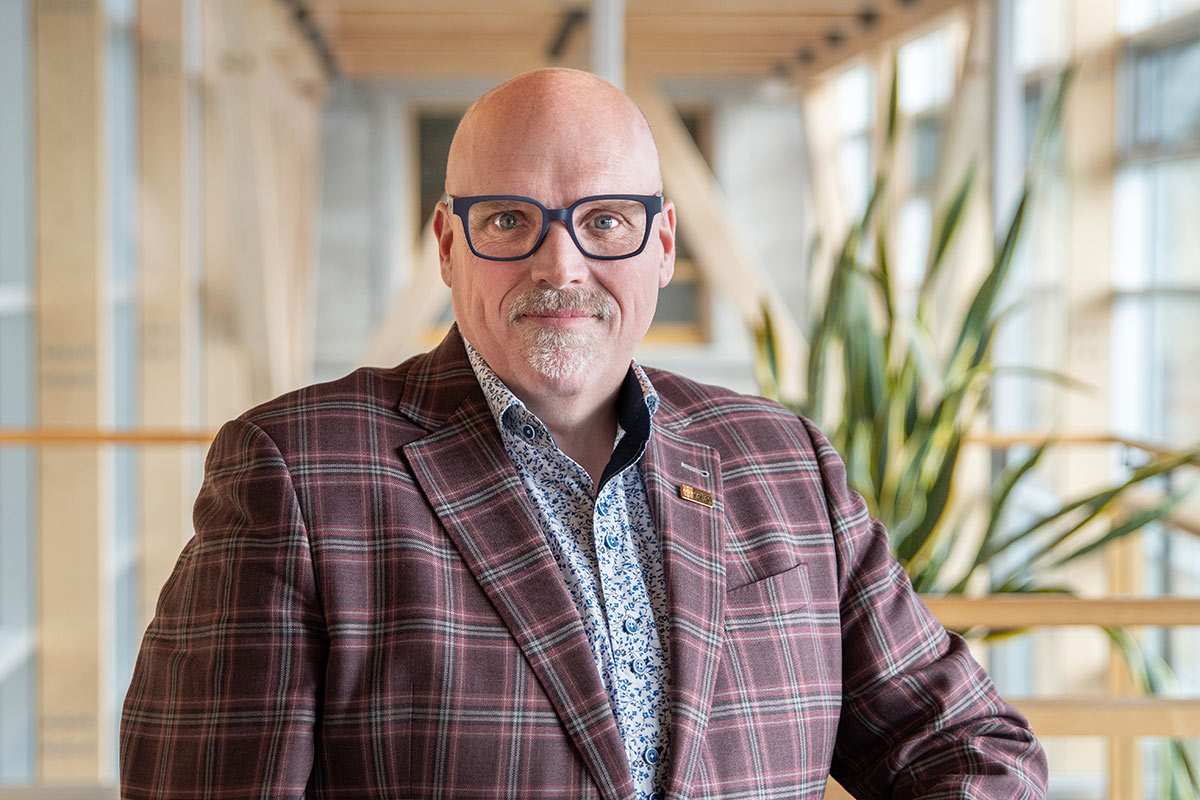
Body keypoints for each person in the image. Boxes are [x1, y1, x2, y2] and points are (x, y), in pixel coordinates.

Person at [120, 68, 1047, 799]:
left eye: (605, 220)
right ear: (447, 244)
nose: (560, 264)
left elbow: (971, 747)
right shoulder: (297, 473)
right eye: (510, 221)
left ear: (664, 243)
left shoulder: (785, 462)